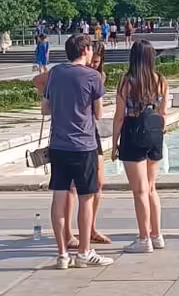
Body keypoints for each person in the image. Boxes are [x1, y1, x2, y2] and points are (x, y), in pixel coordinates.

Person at [34, 34, 113, 269]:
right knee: (86, 199)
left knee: (59, 197)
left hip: (59, 145)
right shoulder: (93, 76)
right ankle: (84, 252)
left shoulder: (56, 72)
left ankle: (62, 255)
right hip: (84, 145)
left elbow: (45, 108)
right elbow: (98, 114)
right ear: (86, 49)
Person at [114, 40, 169, 253]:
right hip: (155, 134)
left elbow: (120, 117)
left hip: (133, 133)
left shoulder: (127, 82)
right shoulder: (161, 80)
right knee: (151, 187)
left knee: (139, 191)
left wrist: (115, 143)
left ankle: (143, 237)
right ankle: (157, 235)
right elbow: (164, 113)